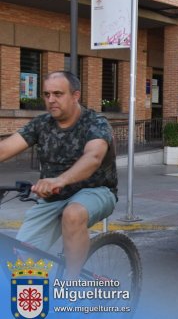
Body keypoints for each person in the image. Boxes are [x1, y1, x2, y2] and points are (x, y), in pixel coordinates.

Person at [0, 71, 117, 279]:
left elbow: (93, 157)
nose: (51, 100)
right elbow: (5, 149)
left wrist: (60, 179)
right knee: (19, 262)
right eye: (46, 94)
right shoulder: (41, 124)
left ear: (75, 95)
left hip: (96, 190)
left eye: (58, 94)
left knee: (72, 214)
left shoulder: (95, 123)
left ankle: (71, 285)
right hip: (53, 196)